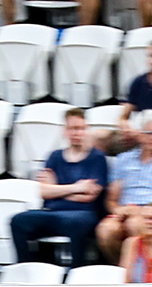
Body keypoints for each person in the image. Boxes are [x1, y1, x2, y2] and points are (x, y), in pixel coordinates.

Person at [10, 107, 107, 263]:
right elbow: (43, 191)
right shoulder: (55, 157)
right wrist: (76, 187)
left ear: (86, 130)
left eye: (81, 129)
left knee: (76, 223)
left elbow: (90, 195)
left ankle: (76, 271)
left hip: (83, 214)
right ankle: (26, 267)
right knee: (18, 221)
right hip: (52, 211)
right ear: (65, 131)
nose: (77, 133)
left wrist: (56, 188)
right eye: (72, 129)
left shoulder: (97, 158)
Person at [98, 113, 152, 260]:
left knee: (135, 224)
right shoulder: (124, 160)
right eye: (150, 133)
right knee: (106, 230)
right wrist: (119, 210)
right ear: (139, 135)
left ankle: (139, 273)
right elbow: (112, 200)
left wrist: (142, 211)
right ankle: (121, 270)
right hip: (127, 211)